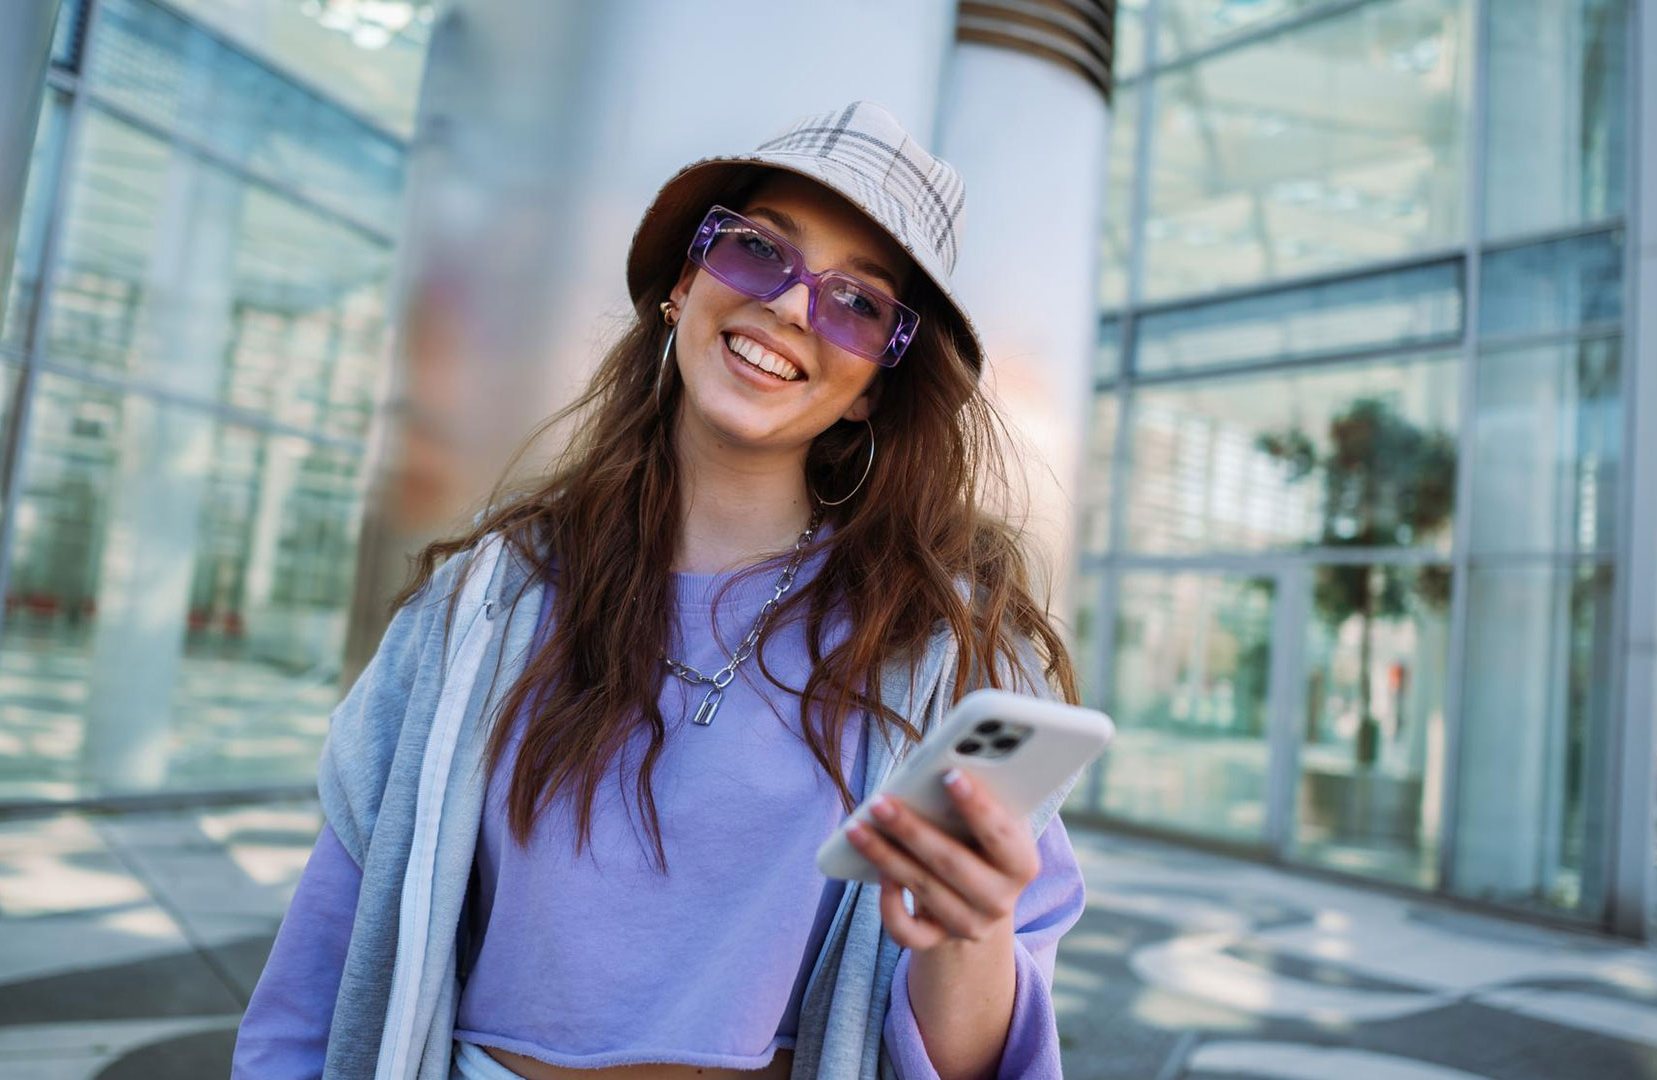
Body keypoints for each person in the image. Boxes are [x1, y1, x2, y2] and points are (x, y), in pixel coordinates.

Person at [231, 100, 1086, 1080]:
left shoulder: (940, 656)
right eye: (761, 252)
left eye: (859, 303)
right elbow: (321, 979)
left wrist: (965, 932)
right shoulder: (481, 608)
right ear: (685, 282)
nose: (794, 307)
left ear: (876, 383)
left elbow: (982, 1064)